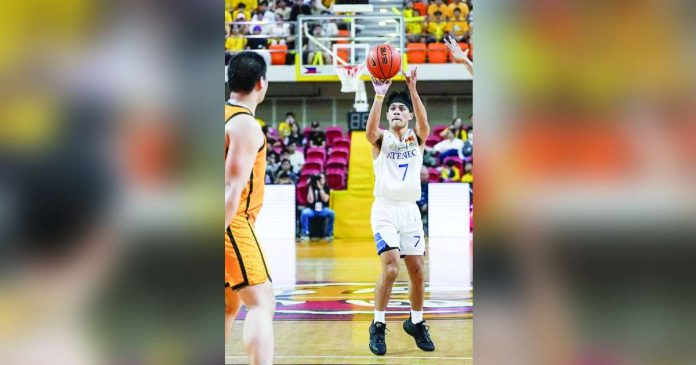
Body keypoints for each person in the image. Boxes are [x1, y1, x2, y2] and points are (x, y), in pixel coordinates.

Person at [365, 67, 435, 356]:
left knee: (418, 271)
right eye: (392, 108)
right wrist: (379, 96)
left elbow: (424, 123)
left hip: (409, 211)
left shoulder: (417, 139)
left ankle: (415, 321)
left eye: (400, 109)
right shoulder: (382, 139)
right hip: (384, 210)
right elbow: (369, 132)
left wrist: (413, 90)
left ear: (408, 116)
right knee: (392, 268)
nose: (395, 111)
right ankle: (378, 325)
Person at [224, 51, 275, 365]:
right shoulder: (245, 124)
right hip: (231, 222)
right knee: (261, 303)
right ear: (261, 83)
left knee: (228, 306)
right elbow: (231, 187)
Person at [300, 173, 335, 241]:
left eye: (322, 178)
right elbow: (310, 201)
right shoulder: (311, 187)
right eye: (318, 179)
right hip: (312, 210)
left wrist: (320, 189)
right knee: (304, 213)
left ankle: (329, 233)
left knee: (331, 213)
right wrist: (310, 186)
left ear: (325, 180)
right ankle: (305, 233)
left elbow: (325, 199)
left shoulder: (326, 188)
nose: (320, 180)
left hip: (322, 209)